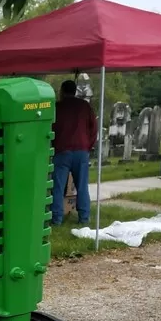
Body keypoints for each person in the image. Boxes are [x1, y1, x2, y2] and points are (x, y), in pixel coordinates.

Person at [50, 79, 98, 226]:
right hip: (81, 150)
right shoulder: (84, 106)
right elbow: (93, 127)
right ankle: (84, 218)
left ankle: (56, 219)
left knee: (58, 187)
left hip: (62, 150)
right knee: (82, 185)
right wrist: (88, 146)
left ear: (62, 91)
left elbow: (50, 128)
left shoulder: (57, 107)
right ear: (75, 91)